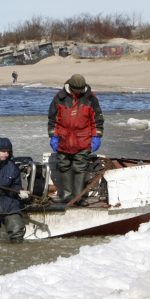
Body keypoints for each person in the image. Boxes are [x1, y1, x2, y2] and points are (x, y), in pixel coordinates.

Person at [48, 74, 104, 204]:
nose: (79, 92)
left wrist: (96, 136)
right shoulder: (59, 98)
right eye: (76, 89)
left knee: (80, 168)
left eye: (81, 89)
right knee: (64, 166)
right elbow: (53, 120)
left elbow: (97, 120)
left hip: (83, 140)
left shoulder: (91, 99)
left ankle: (78, 197)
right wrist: (53, 136)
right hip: (63, 140)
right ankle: (66, 195)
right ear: (71, 87)